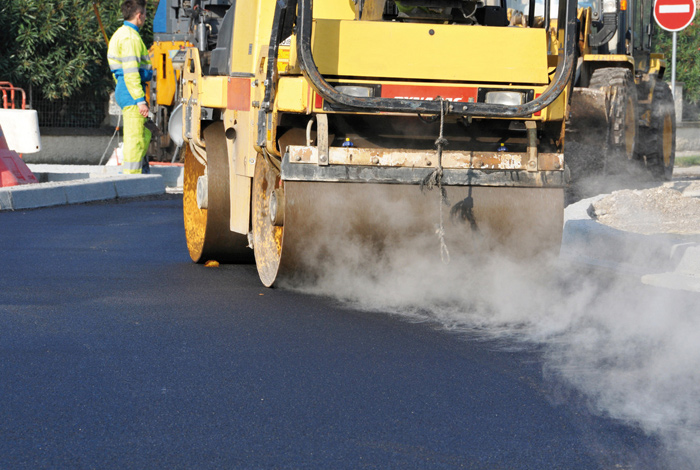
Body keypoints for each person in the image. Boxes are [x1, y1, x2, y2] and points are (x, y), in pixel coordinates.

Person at [107, 0, 153, 174]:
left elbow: (120, 70)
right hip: (132, 91)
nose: (145, 18)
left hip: (126, 89)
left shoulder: (121, 34)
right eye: (145, 14)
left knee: (142, 133)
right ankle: (132, 176)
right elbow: (132, 71)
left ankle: (140, 171)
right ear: (139, 15)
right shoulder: (131, 38)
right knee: (135, 138)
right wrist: (140, 100)